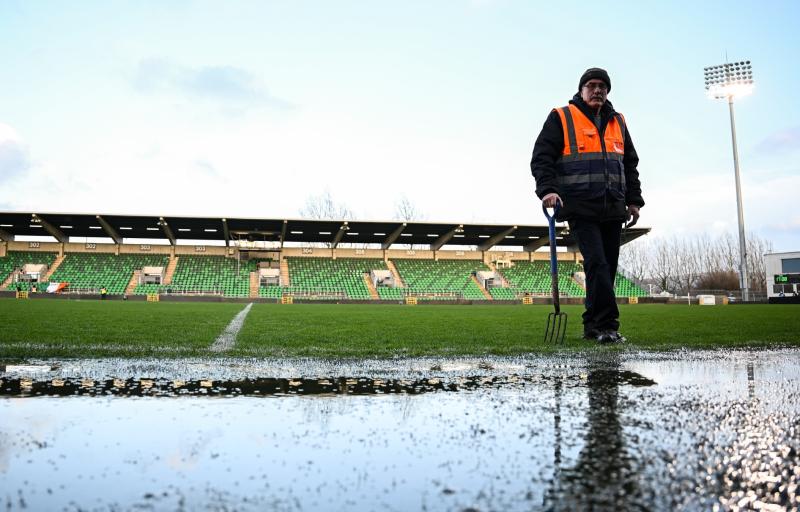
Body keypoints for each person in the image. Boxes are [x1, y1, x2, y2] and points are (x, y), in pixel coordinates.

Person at [531, 67, 644, 344]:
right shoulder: (562, 117)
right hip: (581, 206)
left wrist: (633, 200)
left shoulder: (619, 121)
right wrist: (548, 190)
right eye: (592, 85)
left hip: (613, 207)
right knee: (597, 264)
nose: (597, 91)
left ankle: (593, 325)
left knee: (606, 267)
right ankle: (607, 325)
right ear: (581, 90)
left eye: (603, 87)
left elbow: (629, 163)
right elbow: (541, 158)